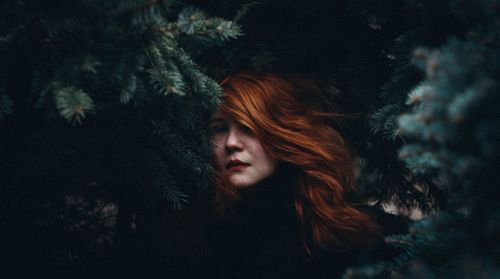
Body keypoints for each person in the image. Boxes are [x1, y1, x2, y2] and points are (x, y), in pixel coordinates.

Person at [203, 72, 387, 278]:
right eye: (220, 128)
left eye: (247, 127)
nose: (231, 143)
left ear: (280, 133)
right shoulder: (212, 233)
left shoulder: (346, 234)